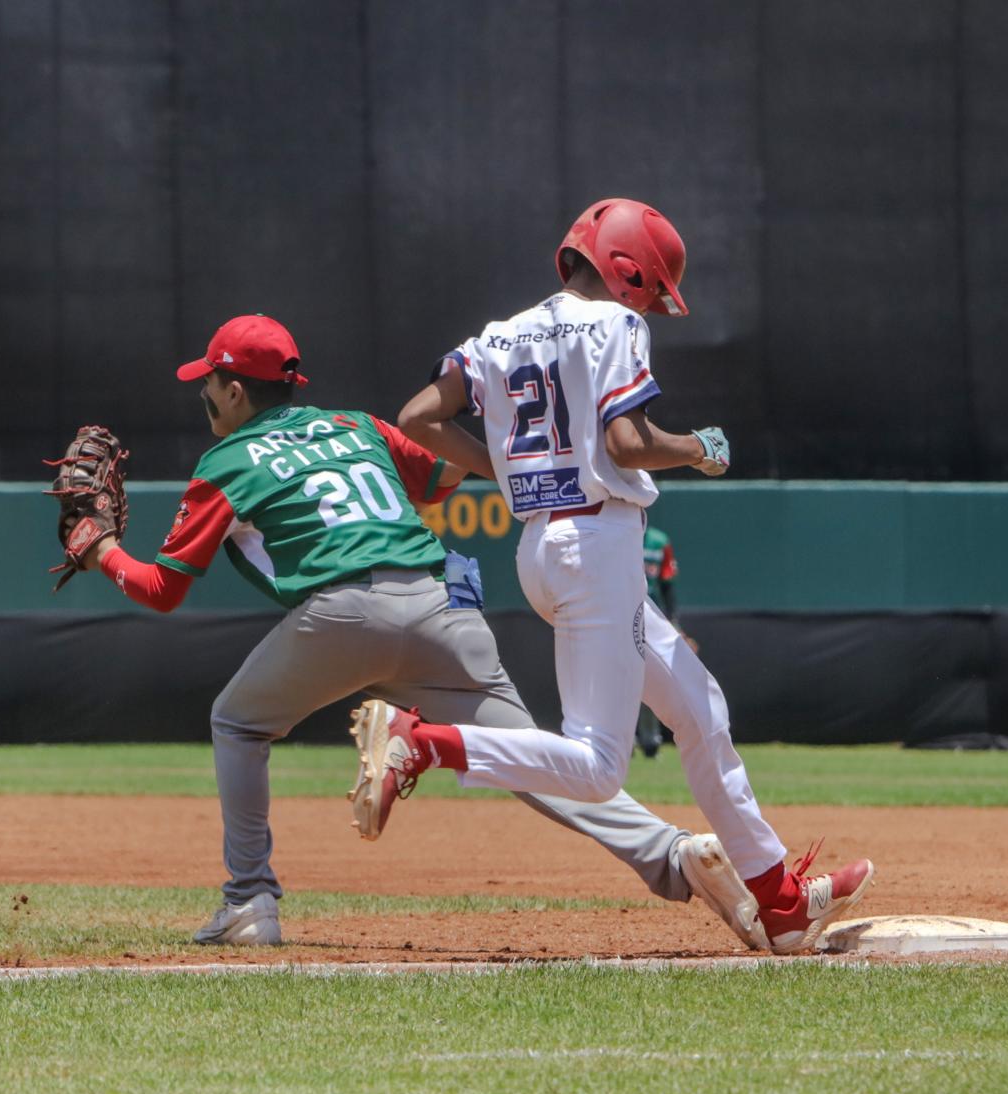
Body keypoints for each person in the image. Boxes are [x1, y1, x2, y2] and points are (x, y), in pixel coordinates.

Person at [66, 313, 766, 950]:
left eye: (211, 382)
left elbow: (161, 589)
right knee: (532, 756)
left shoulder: (225, 462)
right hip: (442, 609)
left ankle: (249, 898)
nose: (205, 395)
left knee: (237, 723)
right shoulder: (355, 426)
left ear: (237, 391)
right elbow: (438, 475)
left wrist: (98, 545)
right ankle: (671, 852)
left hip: (339, 616)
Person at [378, 199, 874, 954]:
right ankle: (423, 743)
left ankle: (778, 901)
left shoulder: (500, 334)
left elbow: (416, 416)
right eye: (652, 286)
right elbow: (628, 441)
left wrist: (509, 469)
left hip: (545, 548)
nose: (651, 303)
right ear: (630, 272)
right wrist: (698, 447)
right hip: (597, 545)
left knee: (699, 708)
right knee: (598, 769)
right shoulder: (617, 324)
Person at [636, 522, 682, 758]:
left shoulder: (658, 541)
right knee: (617, 681)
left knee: (649, 681)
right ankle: (621, 742)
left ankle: (650, 742)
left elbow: (667, 586)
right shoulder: (614, 532)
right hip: (617, 614)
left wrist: (674, 624)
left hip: (651, 617)